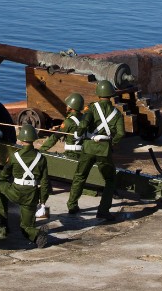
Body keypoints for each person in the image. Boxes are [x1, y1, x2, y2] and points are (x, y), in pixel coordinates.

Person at [66, 80, 125, 221]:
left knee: (80, 176)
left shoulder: (91, 108)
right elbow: (121, 133)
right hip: (104, 150)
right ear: (111, 95)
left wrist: (79, 134)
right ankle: (103, 210)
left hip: (88, 147)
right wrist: (112, 144)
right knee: (110, 180)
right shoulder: (117, 113)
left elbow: (83, 124)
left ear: (98, 94)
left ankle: (72, 205)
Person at [0, 124, 51, 248]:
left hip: (15, 192)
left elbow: (5, 173)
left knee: (0, 186)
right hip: (31, 195)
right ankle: (36, 234)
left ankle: (4, 223)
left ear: (20, 139)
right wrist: (43, 202)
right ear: (34, 139)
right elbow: (45, 182)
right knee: (26, 227)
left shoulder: (15, 157)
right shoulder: (41, 159)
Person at [39, 93, 86, 159]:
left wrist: (41, 149)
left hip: (71, 153)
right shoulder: (85, 118)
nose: (66, 106)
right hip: (83, 152)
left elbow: (55, 137)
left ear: (71, 107)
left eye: (67, 105)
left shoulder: (69, 121)